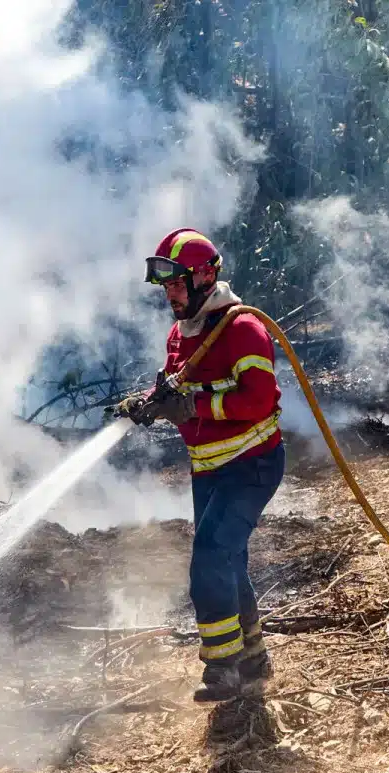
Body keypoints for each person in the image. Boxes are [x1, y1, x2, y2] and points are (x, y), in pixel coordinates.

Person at [115, 229, 284, 703]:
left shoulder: (241, 329)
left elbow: (257, 399)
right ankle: (253, 658)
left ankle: (223, 671)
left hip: (251, 465)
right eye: (165, 287)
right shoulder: (181, 332)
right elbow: (179, 386)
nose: (170, 295)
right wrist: (149, 402)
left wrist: (193, 410)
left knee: (209, 559)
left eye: (177, 284)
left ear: (207, 276)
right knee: (229, 559)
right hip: (208, 467)